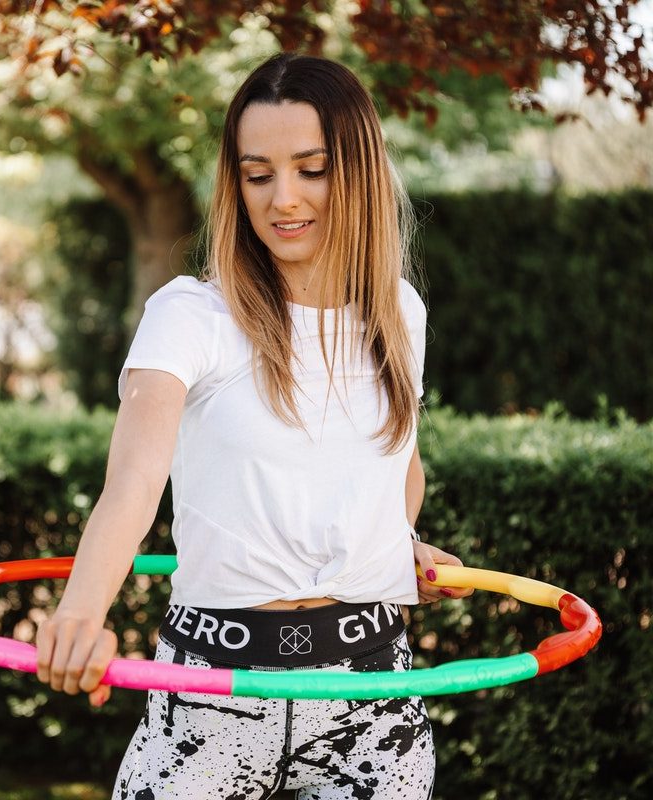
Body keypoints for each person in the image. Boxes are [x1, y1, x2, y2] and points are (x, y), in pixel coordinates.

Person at [35, 52, 473, 799]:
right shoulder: (191, 315)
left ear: (357, 171)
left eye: (312, 168)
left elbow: (397, 464)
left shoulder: (399, 312)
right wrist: (80, 610)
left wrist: (389, 545)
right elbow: (135, 480)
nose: (284, 198)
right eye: (257, 173)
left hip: (370, 690)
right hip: (213, 691)